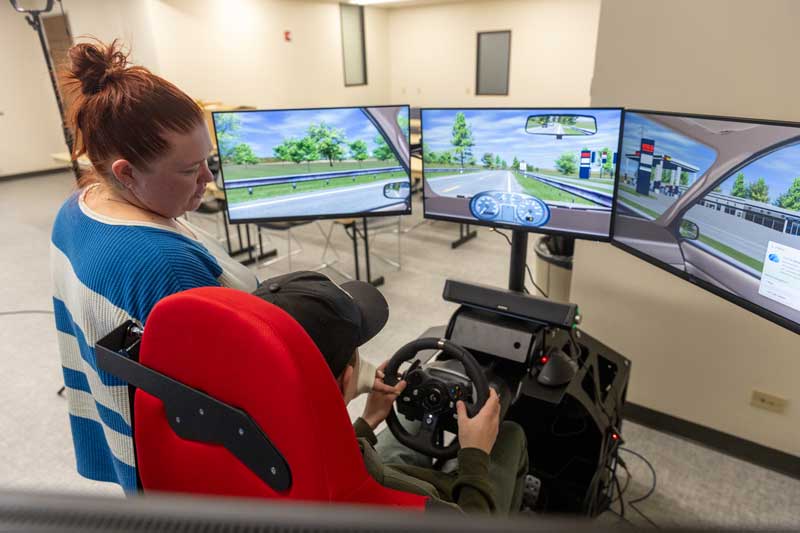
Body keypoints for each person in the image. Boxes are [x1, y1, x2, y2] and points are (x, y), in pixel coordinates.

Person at [51, 39, 258, 493]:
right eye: (189, 171)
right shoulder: (163, 264)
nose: (207, 179)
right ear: (126, 172)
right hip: (185, 472)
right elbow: (243, 411)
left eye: (209, 161)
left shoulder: (79, 205)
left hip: (122, 431)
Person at [253, 271, 529, 514]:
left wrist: (367, 420)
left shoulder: (256, 441)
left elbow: (330, 458)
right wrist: (474, 455)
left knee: (410, 419)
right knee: (511, 434)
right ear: (347, 379)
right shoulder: (403, 499)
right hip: (451, 503)